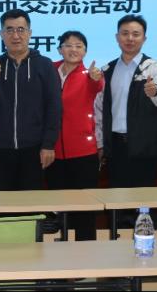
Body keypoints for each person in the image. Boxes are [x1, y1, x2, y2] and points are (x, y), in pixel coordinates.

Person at [0, 9, 61, 191]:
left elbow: (54, 106)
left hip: (34, 147)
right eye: (10, 30)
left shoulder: (44, 65)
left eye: (21, 30)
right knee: (3, 200)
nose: (15, 35)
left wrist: (48, 145)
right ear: (2, 34)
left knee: (31, 200)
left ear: (29, 33)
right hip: (1, 147)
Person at [94, 14, 157, 189]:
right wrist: (100, 143)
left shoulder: (154, 66)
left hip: (145, 146)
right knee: (116, 195)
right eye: (125, 33)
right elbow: (100, 110)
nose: (130, 38)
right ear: (117, 37)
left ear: (144, 38)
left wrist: (156, 90)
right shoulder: (107, 69)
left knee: (143, 198)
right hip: (115, 146)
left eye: (136, 34)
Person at [47, 30, 103, 241]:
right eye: (68, 45)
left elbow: (97, 85)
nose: (73, 49)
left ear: (85, 51)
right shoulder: (49, 70)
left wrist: (96, 78)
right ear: (60, 49)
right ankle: (59, 253)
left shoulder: (90, 75)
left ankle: (86, 254)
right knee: (57, 208)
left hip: (83, 153)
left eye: (79, 46)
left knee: (84, 210)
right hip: (52, 153)